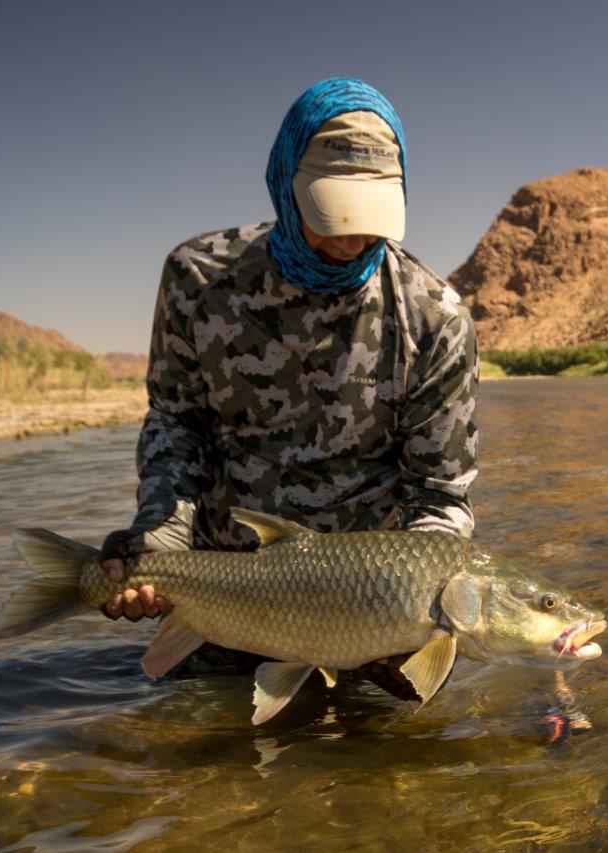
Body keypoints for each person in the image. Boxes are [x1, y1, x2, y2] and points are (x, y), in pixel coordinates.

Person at [99, 77, 478, 694]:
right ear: (283, 182)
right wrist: (159, 544)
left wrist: (413, 606)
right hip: (228, 600)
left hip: (375, 619)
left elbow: (439, 496)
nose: (351, 241)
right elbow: (177, 425)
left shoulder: (435, 320)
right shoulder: (199, 282)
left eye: (370, 219)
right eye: (329, 215)